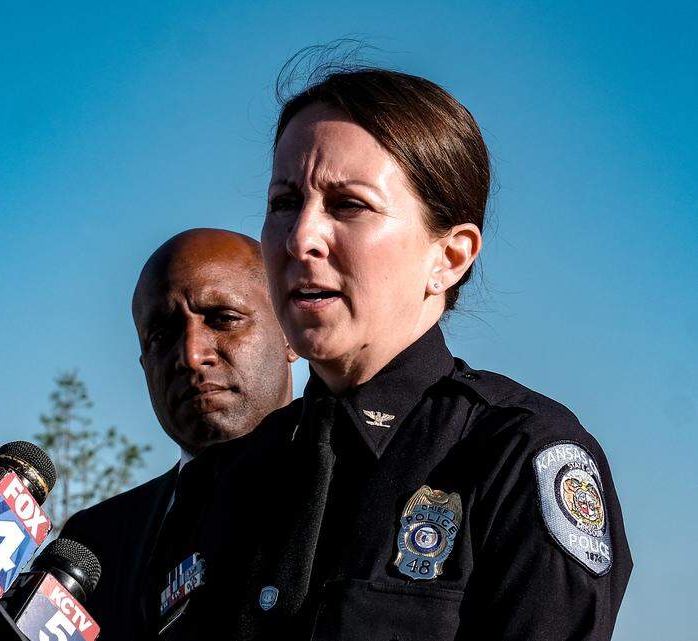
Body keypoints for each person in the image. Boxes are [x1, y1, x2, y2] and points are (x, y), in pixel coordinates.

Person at [157, 65, 632, 640]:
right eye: (284, 202)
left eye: (349, 205)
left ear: (450, 257)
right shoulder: (223, 482)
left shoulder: (514, 459)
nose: (300, 237)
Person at [60, 228, 298, 641]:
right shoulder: (94, 544)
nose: (190, 355)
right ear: (143, 364)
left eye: (223, 319)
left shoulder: (360, 483)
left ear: (290, 330)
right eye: (162, 335)